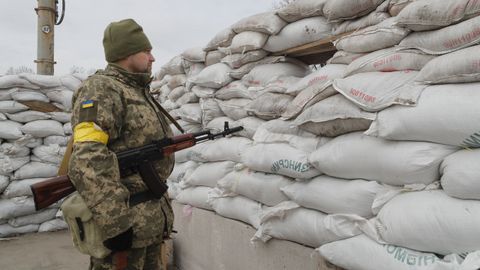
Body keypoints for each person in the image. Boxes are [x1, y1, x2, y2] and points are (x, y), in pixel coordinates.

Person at [67, 18, 180, 270]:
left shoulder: (138, 91)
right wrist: (115, 224)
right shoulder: (102, 90)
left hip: (148, 223)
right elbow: (87, 159)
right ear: (127, 53)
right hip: (126, 223)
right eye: (147, 51)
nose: (152, 58)